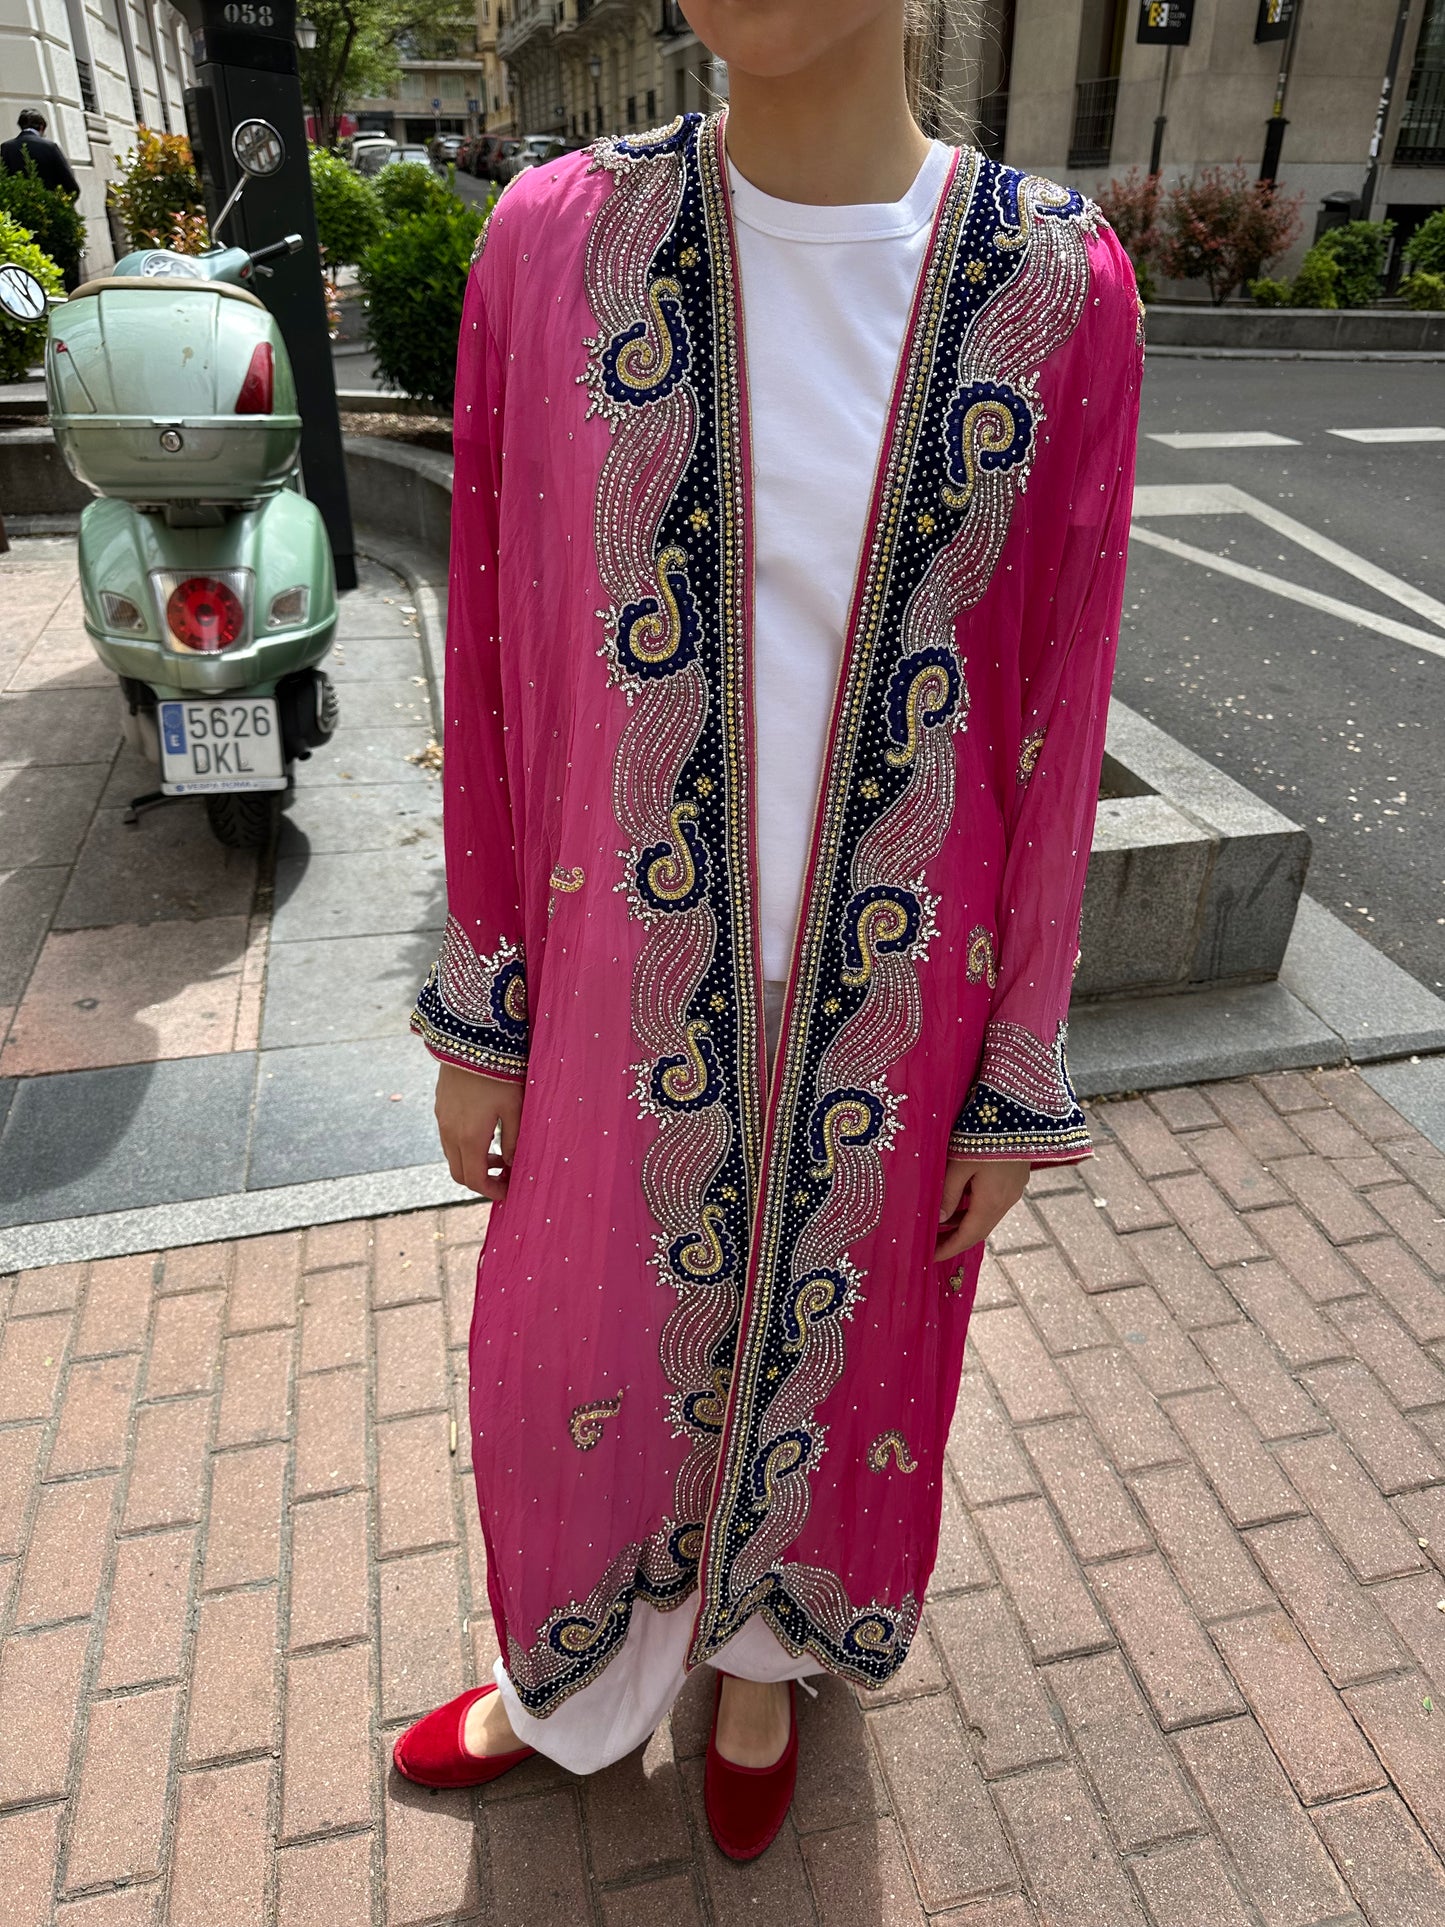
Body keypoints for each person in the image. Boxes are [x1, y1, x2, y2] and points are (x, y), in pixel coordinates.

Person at [395, 0, 1144, 1861]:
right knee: (577, 1340)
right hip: (615, 959)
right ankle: (582, 1681)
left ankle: (760, 1654)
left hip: (903, 978)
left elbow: (1061, 695)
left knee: (839, 1338)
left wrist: (1018, 1060)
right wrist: (488, 998)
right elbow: (492, 635)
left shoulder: (1055, 285)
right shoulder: (554, 244)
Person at [1, 109, 81, 200]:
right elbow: (70, 185)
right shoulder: (50, 147)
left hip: (18, 204)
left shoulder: (6, 147)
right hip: (48, 204)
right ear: (42, 127)